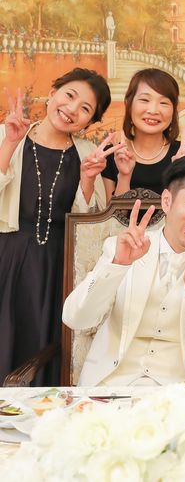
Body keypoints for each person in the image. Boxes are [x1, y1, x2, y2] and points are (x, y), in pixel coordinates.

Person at [62, 154, 185, 386]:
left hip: (180, 393)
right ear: (167, 201)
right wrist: (117, 265)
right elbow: (76, 318)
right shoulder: (123, 248)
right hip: (109, 387)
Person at [0, 68, 116, 385]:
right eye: (69, 96)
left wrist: (88, 178)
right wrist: (9, 143)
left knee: (47, 346)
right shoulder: (7, 134)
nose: (72, 109)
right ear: (53, 94)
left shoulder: (87, 153)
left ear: (89, 122)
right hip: (7, 256)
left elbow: (88, 223)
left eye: (85, 109)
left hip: (59, 267)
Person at [102, 68, 185, 201]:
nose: (153, 110)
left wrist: (179, 174)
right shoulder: (111, 155)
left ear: (174, 110)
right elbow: (111, 214)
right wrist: (124, 176)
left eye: (163, 103)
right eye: (145, 100)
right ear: (128, 104)